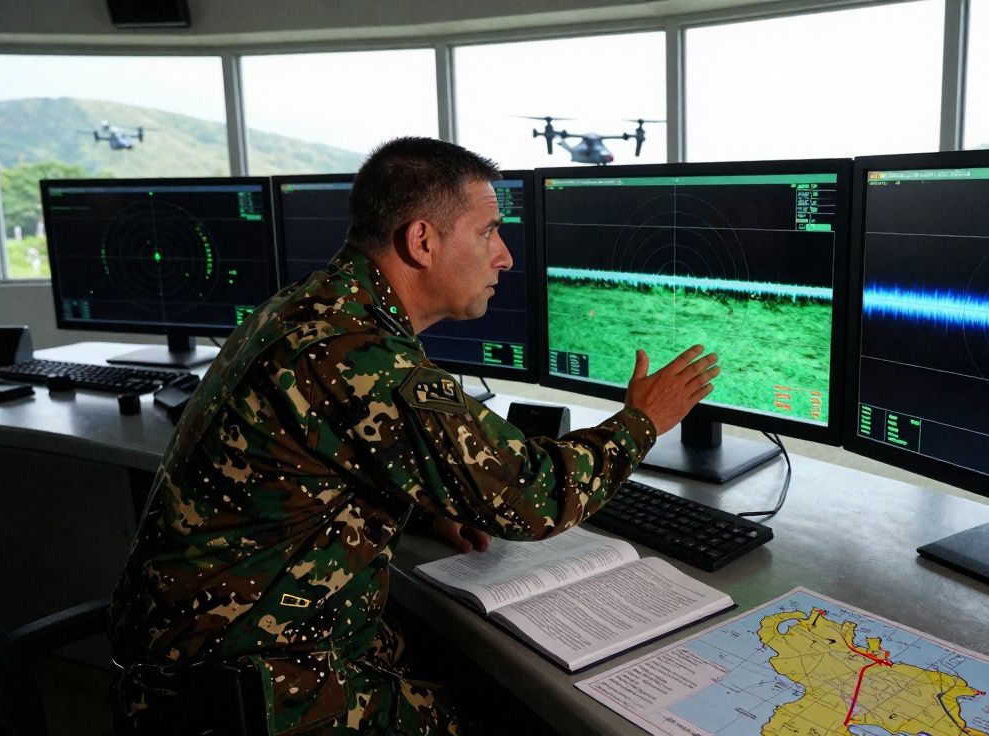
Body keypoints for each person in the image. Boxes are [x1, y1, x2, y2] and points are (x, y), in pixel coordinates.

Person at [109, 137, 718, 735]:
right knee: (523, 710)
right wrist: (643, 420)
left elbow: (318, 464)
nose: (504, 256)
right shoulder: (360, 356)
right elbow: (534, 499)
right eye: (488, 232)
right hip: (259, 694)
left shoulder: (303, 308)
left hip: (206, 665)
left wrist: (429, 510)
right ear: (422, 240)